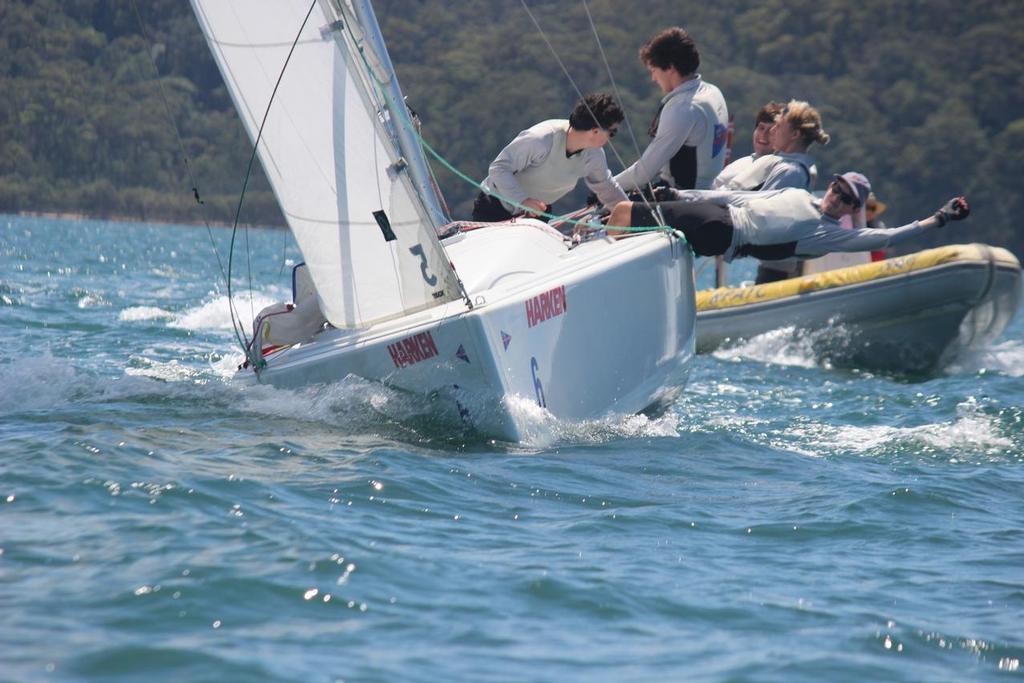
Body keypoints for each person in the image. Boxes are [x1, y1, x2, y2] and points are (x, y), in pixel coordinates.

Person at [607, 172, 971, 262]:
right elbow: (736, 195)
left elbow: (887, 237)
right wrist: (681, 194)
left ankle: (601, 254)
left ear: (851, 211)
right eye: (836, 188)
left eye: (845, 199)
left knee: (624, 211)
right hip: (717, 212)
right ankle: (607, 254)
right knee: (636, 222)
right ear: (830, 185)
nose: (836, 197)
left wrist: (937, 219)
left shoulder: (828, 234)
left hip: (724, 231)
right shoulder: (798, 195)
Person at [472, 93, 627, 222]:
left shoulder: (594, 154)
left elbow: (606, 187)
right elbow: (498, 168)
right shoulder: (540, 139)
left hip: (537, 215)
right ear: (595, 131)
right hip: (494, 209)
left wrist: (631, 212)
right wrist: (523, 201)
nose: (611, 138)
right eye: (612, 133)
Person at [613, 27, 729, 194]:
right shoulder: (713, 92)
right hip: (710, 191)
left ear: (670, 68)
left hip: (685, 199)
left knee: (606, 215)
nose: (653, 78)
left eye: (654, 71)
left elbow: (643, 173)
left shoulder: (683, 109)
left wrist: (606, 187)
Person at [712, 101, 783, 190]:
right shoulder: (737, 164)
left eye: (770, 131)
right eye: (761, 128)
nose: (763, 135)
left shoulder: (780, 171)